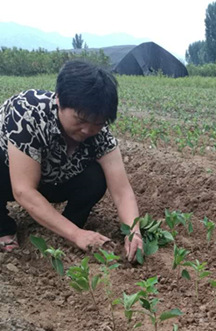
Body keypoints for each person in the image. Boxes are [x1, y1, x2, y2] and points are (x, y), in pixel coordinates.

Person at [0, 59, 142, 261]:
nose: (87, 130)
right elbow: (23, 190)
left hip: (51, 181)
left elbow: (122, 191)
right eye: (80, 120)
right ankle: (3, 226)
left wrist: (133, 231)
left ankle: (67, 224)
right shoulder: (28, 111)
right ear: (59, 99)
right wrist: (77, 235)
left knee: (95, 177)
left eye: (97, 123)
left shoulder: (99, 134)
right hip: (9, 176)